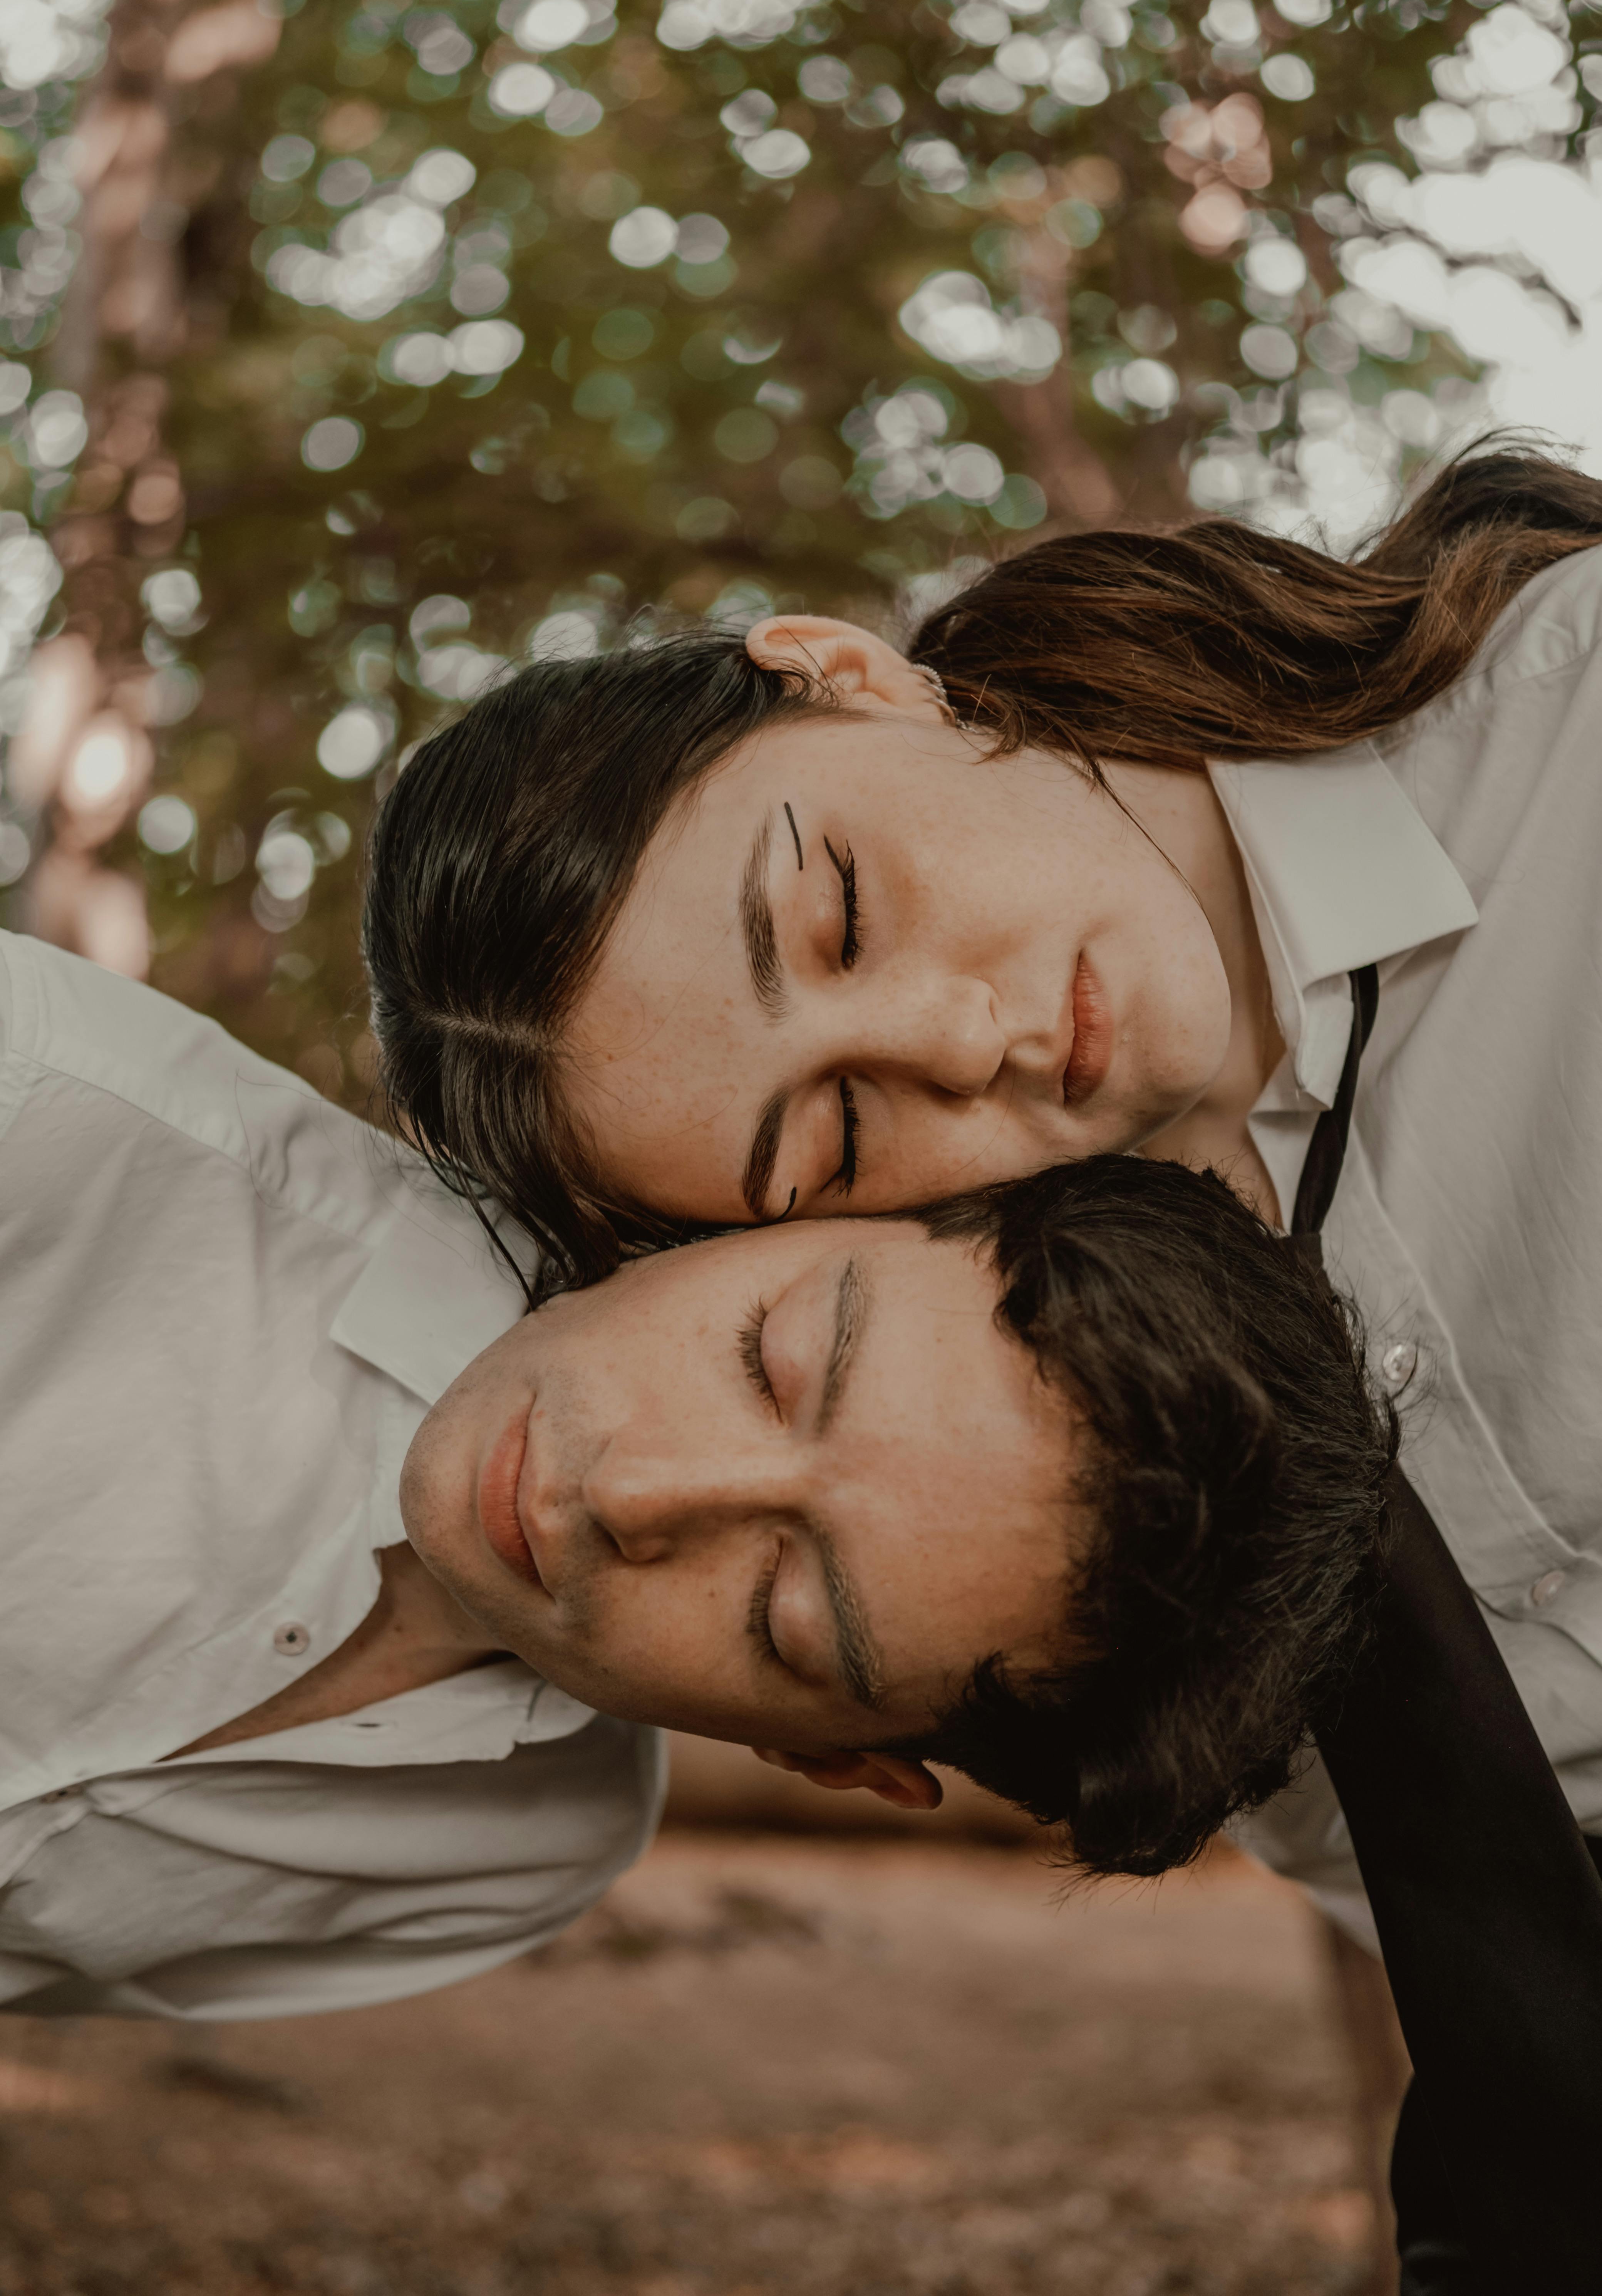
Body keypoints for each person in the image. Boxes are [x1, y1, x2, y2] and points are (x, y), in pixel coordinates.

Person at [362, 444, 1602, 1952]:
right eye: (830, 1133)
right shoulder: (1050, 1516)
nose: (955, 1041)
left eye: (840, 917)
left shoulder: (1572, 733)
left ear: (845, 676)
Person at [0, 922, 1404, 2025]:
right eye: (771, 1360)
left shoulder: (517, 1860)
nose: (629, 1496)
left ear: (830, 1758)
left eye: (784, 1610)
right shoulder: (49, 1112)